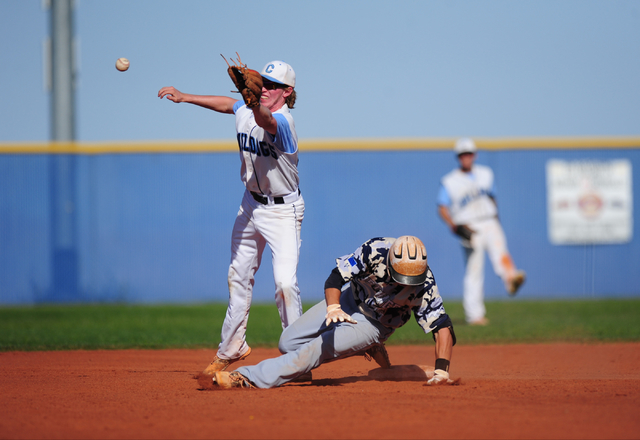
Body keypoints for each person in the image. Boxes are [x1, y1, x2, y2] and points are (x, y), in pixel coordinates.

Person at [158, 59, 304, 374]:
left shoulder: (284, 122)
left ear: (287, 91)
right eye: (262, 82)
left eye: (273, 85)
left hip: (283, 211)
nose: (264, 88)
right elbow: (229, 105)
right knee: (238, 276)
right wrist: (185, 97)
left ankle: (298, 354)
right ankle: (231, 347)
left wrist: (254, 105)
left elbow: (266, 122)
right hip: (250, 205)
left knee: (285, 283)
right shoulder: (247, 108)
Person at [208, 236, 457, 389]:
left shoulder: (425, 283)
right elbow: (336, 276)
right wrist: (334, 307)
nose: (406, 283)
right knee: (288, 342)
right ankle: (307, 371)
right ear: (391, 262)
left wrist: (442, 370)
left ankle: (247, 378)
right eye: (401, 277)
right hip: (349, 301)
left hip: (376, 324)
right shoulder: (374, 251)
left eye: (411, 279)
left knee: (317, 348)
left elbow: (442, 327)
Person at [437, 138, 526, 326]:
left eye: (468, 153)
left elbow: (492, 198)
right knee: (474, 270)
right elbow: (442, 207)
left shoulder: (486, 174)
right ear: (458, 157)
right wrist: (453, 225)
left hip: (490, 220)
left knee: (501, 253)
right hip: (469, 226)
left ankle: (511, 280)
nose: (466, 157)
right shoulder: (450, 181)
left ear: (474, 155)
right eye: (462, 154)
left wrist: (497, 221)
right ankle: (474, 315)